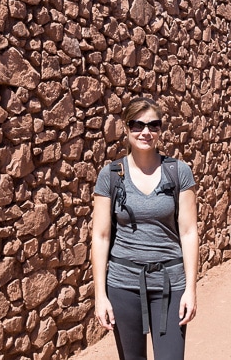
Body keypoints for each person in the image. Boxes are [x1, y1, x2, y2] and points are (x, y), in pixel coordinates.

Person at [91, 97, 199, 360]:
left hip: (170, 283)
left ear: (161, 129)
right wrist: (100, 295)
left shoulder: (178, 172)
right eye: (137, 125)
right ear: (126, 129)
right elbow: (101, 236)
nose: (145, 132)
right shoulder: (111, 175)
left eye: (153, 125)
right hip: (123, 284)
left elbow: (189, 232)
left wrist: (191, 289)